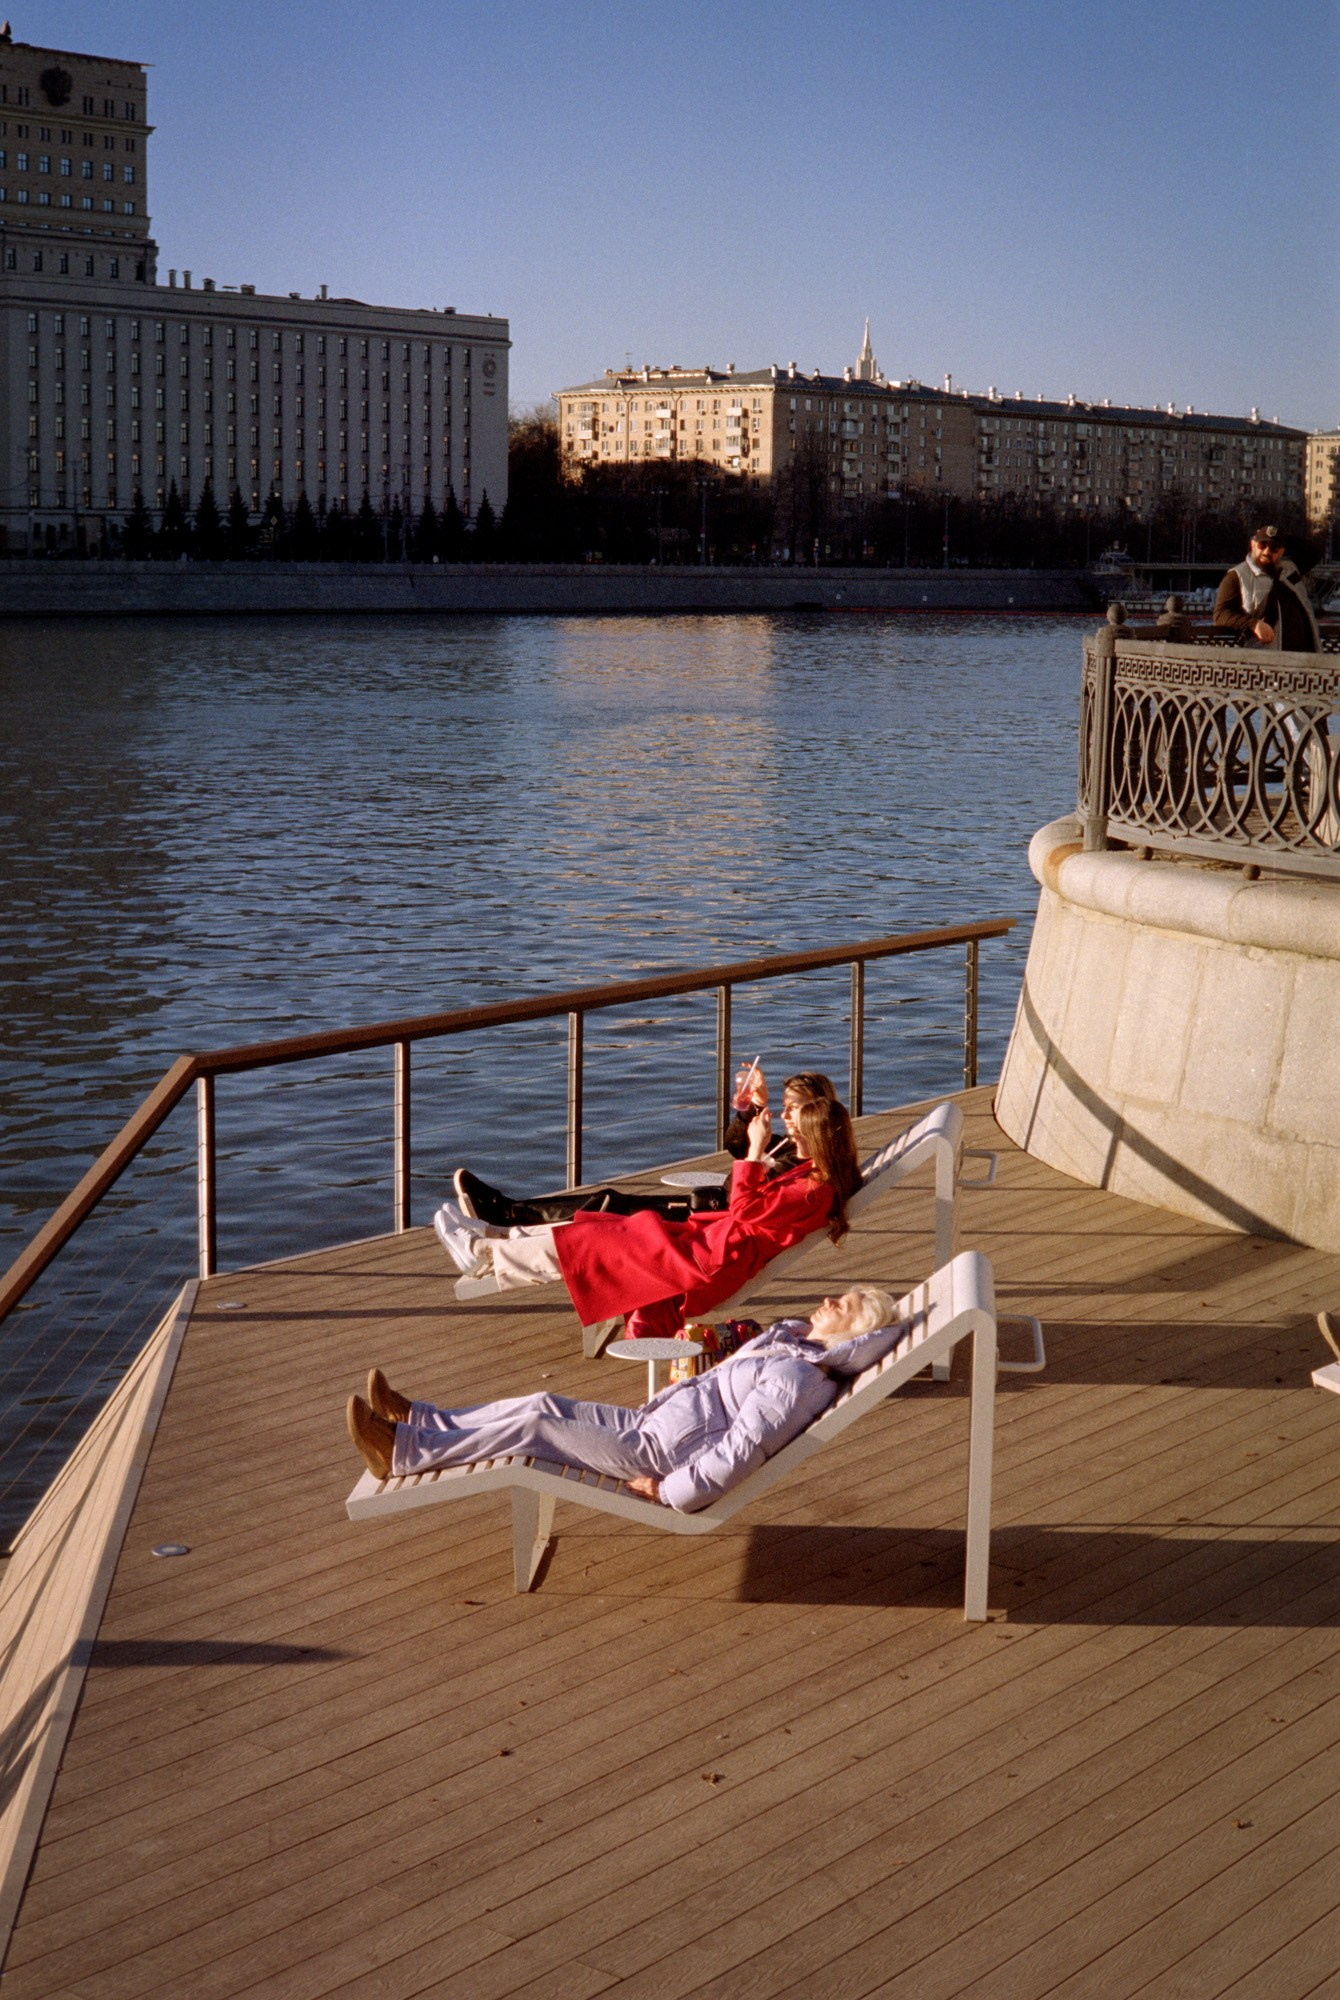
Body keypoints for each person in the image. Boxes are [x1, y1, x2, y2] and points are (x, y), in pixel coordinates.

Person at [346, 1282, 900, 1512]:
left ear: (852, 1332)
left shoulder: (798, 1379)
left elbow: (743, 1448)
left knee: (537, 1427)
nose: (830, 1300)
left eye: (844, 1305)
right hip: (653, 1424)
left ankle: (404, 1451)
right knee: (542, 1402)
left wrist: (669, 1490)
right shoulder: (792, 1346)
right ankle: (421, 1420)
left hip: (659, 1454)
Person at [436, 1083, 863, 1343]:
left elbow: (746, 1208)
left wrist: (755, 1153)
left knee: (594, 1241)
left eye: (798, 1131)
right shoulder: (814, 1175)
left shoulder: (812, 1191)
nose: (791, 1134)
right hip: (707, 1245)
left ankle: (483, 1253)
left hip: (711, 1262)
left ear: (820, 1139)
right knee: (598, 1227)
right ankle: (494, 1240)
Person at [444, 1066, 834, 1227]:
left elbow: (746, 1201)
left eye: (794, 1108)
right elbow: (734, 1145)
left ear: (816, 1112)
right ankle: (509, 1212)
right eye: (784, 1105)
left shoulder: (802, 1164)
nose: (785, 1114)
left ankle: (506, 1216)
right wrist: (754, 1107)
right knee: (607, 1200)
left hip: (704, 1222)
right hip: (705, 1208)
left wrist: (755, 1152)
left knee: (607, 1206)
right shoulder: (795, 1147)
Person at [1213, 526, 1321, 652]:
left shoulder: (1290, 569)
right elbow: (1220, 614)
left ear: (1281, 551)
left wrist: (1280, 536)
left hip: (1306, 656)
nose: (1266, 551)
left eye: (1274, 547)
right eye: (1262, 545)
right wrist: (1253, 624)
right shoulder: (1237, 575)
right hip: (1268, 658)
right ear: (1253, 545)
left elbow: (1316, 551)